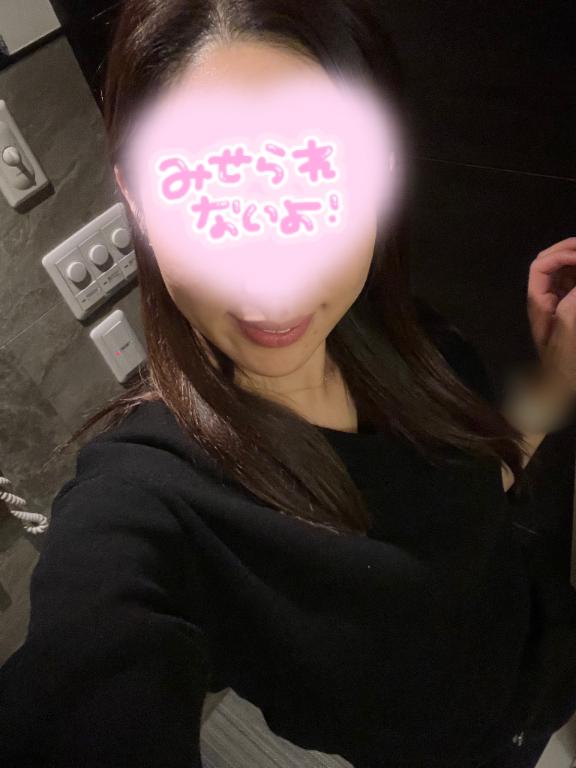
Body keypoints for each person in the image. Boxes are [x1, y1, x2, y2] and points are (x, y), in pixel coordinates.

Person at [1, 1, 576, 767]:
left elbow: (479, 488)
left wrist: (555, 376)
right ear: (136, 196)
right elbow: (90, 670)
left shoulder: (404, 337)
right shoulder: (149, 498)